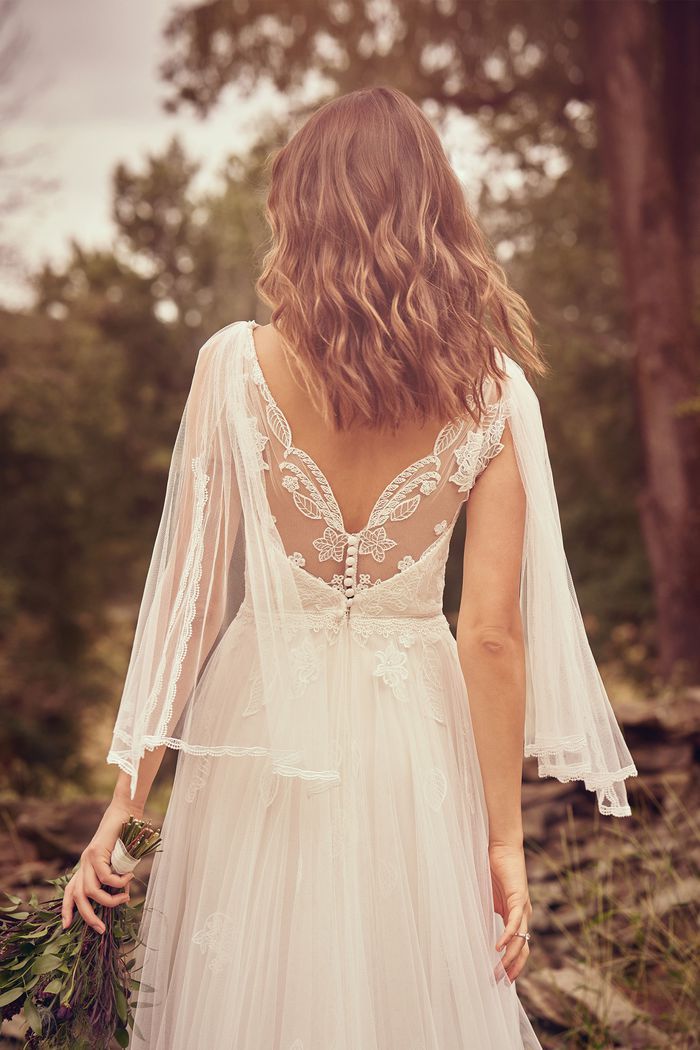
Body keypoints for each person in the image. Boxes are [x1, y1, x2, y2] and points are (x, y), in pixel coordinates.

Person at [61, 86, 636, 1049]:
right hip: (412, 732)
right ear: (435, 211)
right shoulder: (494, 395)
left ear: (303, 213)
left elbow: (188, 603)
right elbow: (490, 634)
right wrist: (504, 841)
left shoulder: (233, 368)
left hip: (259, 721)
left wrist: (126, 802)